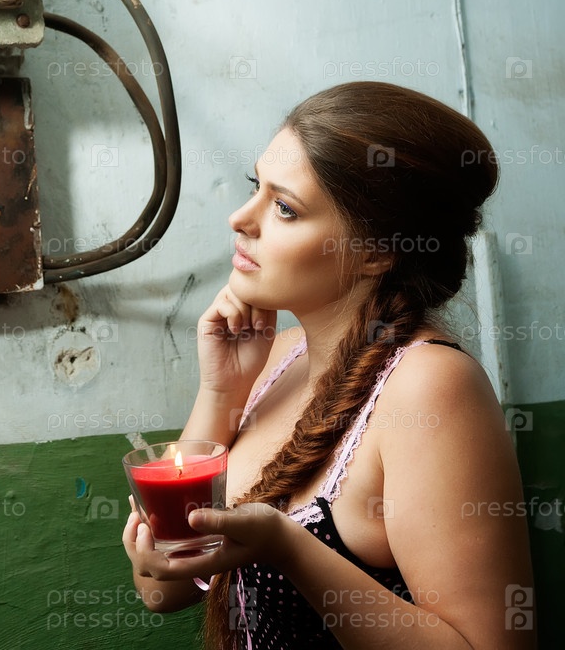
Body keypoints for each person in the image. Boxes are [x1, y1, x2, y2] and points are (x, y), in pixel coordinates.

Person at [122, 81, 536, 649]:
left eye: (285, 208)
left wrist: (289, 549)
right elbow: (163, 591)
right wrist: (221, 393)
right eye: (256, 188)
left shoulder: (431, 387)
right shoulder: (276, 357)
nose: (240, 219)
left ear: (376, 251)